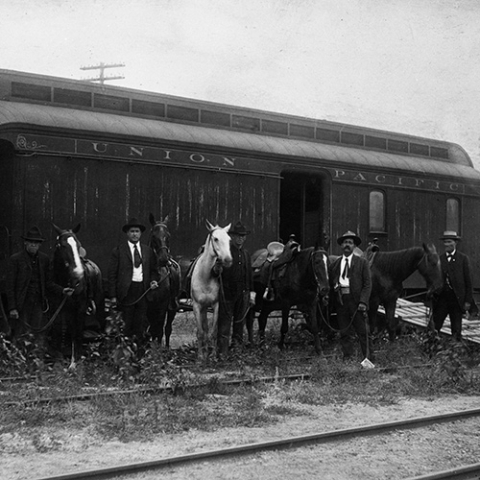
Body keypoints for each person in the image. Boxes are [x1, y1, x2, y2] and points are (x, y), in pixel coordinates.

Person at [6, 226, 72, 345]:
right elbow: (10, 286)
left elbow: (48, 283)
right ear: (25, 242)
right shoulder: (15, 259)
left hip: (38, 303)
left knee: (38, 334)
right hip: (22, 304)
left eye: (36, 243)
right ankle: (19, 361)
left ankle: (36, 360)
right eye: (31, 242)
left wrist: (63, 290)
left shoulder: (44, 259)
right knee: (20, 334)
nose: (33, 245)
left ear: (40, 244)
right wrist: (12, 308)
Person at [108, 218, 158, 341]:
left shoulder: (148, 251)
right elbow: (112, 275)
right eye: (132, 231)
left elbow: (153, 271)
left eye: (137, 231)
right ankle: (126, 353)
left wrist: (153, 280)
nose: (134, 234)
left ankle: (139, 353)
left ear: (141, 234)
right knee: (126, 323)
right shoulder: (119, 251)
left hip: (143, 290)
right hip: (126, 292)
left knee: (140, 323)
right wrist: (113, 296)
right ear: (127, 233)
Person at [330, 230, 374, 363]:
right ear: (341, 246)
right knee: (344, 332)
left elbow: (367, 284)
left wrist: (363, 302)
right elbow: (331, 280)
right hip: (342, 301)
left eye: (350, 242)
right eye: (345, 242)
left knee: (363, 332)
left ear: (354, 246)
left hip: (357, 302)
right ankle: (347, 357)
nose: (347, 245)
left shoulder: (362, 263)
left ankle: (368, 358)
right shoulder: (335, 264)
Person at [217, 221, 255, 356]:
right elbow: (216, 272)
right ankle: (222, 354)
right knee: (224, 325)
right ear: (232, 237)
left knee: (239, 324)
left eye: (243, 236)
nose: (240, 238)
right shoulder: (225, 253)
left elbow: (249, 275)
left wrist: (251, 293)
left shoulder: (246, 254)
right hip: (227, 294)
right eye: (238, 235)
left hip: (243, 294)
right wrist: (218, 268)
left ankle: (237, 351)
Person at [432, 231, 473, 341]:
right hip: (442, 299)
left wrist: (468, 301)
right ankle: (432, 349)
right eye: (445, 242)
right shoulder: (440, 259)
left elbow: (468, 281)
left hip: (456, 299)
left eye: (449, 242)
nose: (446, 244)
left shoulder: (463, 259)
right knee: (435, 325)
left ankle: (456, 351)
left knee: (456, 328)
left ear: (455, 243)